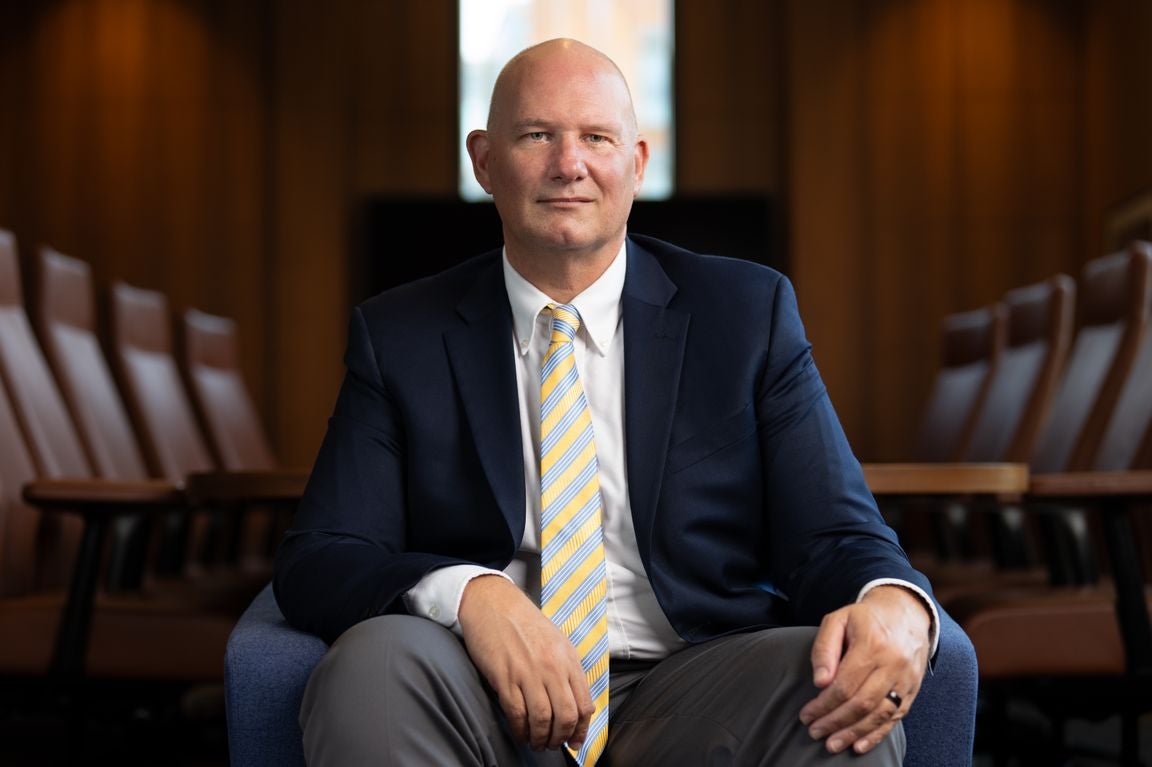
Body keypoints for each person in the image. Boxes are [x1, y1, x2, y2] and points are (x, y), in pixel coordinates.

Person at [274, 37, 937, 766]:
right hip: (478, 687)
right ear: (485, 160)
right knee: (372, 665)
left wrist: (897, 603)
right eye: (537, 135)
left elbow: (835, 533)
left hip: (699, 681)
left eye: (596, 137)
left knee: (837, 695)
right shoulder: (399, 334)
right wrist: (472, 595)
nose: (569, 164)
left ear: (637, 164)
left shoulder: (745, 314)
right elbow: (322, 559)